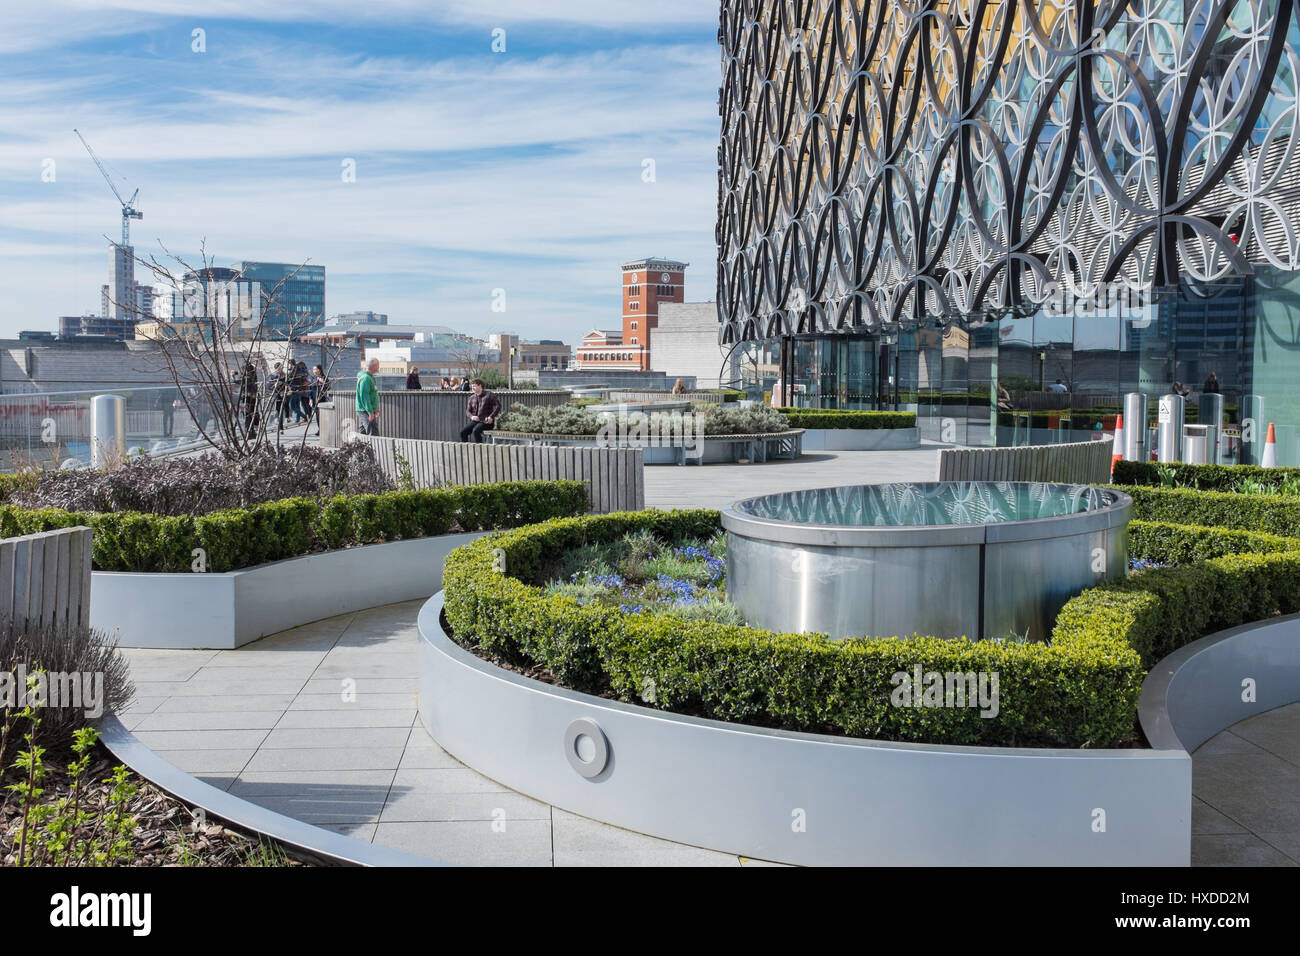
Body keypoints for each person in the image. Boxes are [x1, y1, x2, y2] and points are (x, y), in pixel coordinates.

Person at [460, 378, 500, 443]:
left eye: (474, 386)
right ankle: (465, 450)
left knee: (475, 431)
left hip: (486, 421)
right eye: (472, 386)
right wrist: (472, 417)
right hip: (475, 421)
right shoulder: (471, 398)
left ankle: (480, 451)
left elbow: (497, 406)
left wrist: (491, 417)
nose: (472, 388)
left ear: (480, 386)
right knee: (462, 432)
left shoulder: (489, 395)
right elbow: (467, 411)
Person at [356, 358, 381, 435]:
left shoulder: (370, 377)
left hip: (368, 409)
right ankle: (374, 447)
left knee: (363, 431)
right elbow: (365, 397)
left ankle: (359, 446)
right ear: (373, 366)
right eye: (377, 366)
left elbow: (373, 394)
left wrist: (376, 408)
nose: (378, 368)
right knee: (373, 432)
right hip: (365, 410)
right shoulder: (366, 378)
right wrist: (370, 412)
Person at [239, 361, 261, 438]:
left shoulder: (246, 377)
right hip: (254, 396)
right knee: (253, 413)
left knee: (248, 415)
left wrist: (233, 377)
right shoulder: (253, 375)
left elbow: (242, 383)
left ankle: (249, 433)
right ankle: (254, 430)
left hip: (248, 397)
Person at [309, 364, 329, 436]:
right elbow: (310, 389)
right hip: (314, 399)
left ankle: (323, 429)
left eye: (316, 369)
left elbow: (328, 387)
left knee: (322, 416)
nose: (314, 371)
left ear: (319, 370)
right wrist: (310, 399)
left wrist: (322, 381)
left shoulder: (324, 377)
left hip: (322, 399)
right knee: (317, 416)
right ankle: (320, 429)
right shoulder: (312, 378)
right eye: (313, 369)